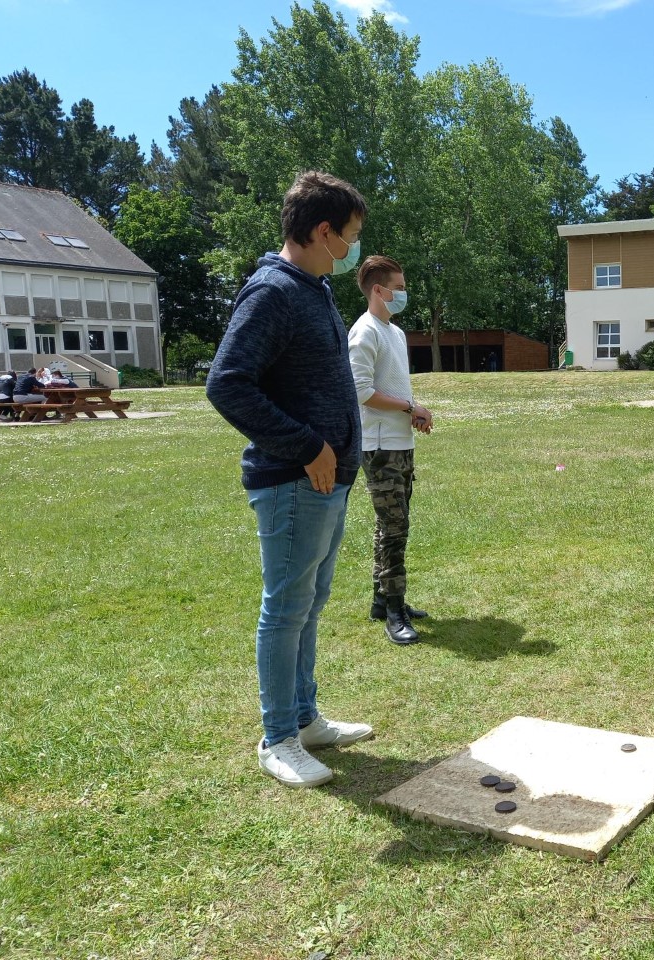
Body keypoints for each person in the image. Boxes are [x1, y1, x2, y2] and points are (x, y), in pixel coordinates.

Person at [206, 170, 373, 789]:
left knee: (309, 604)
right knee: (285, 609)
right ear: (323, 231)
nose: (352, 249)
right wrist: (307, 446)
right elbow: (226, 384)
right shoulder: (272, 292)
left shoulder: (314, 287)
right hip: (292, 480)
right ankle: (277, 738)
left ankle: (304, 719)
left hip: (329, 482)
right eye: (350, 237)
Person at [348, 254, 434, 646]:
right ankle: (395, 612)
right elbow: (361, 392)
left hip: (401, 443)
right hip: (379, 448)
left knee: (390, 525)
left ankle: (382, 599)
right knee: (396, 528)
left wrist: (411, 412)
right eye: (398, 288)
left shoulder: (394, 333)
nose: (403, 294)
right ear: (378, 291)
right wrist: (408, 407)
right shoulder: (364, 332)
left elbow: (395, 388)